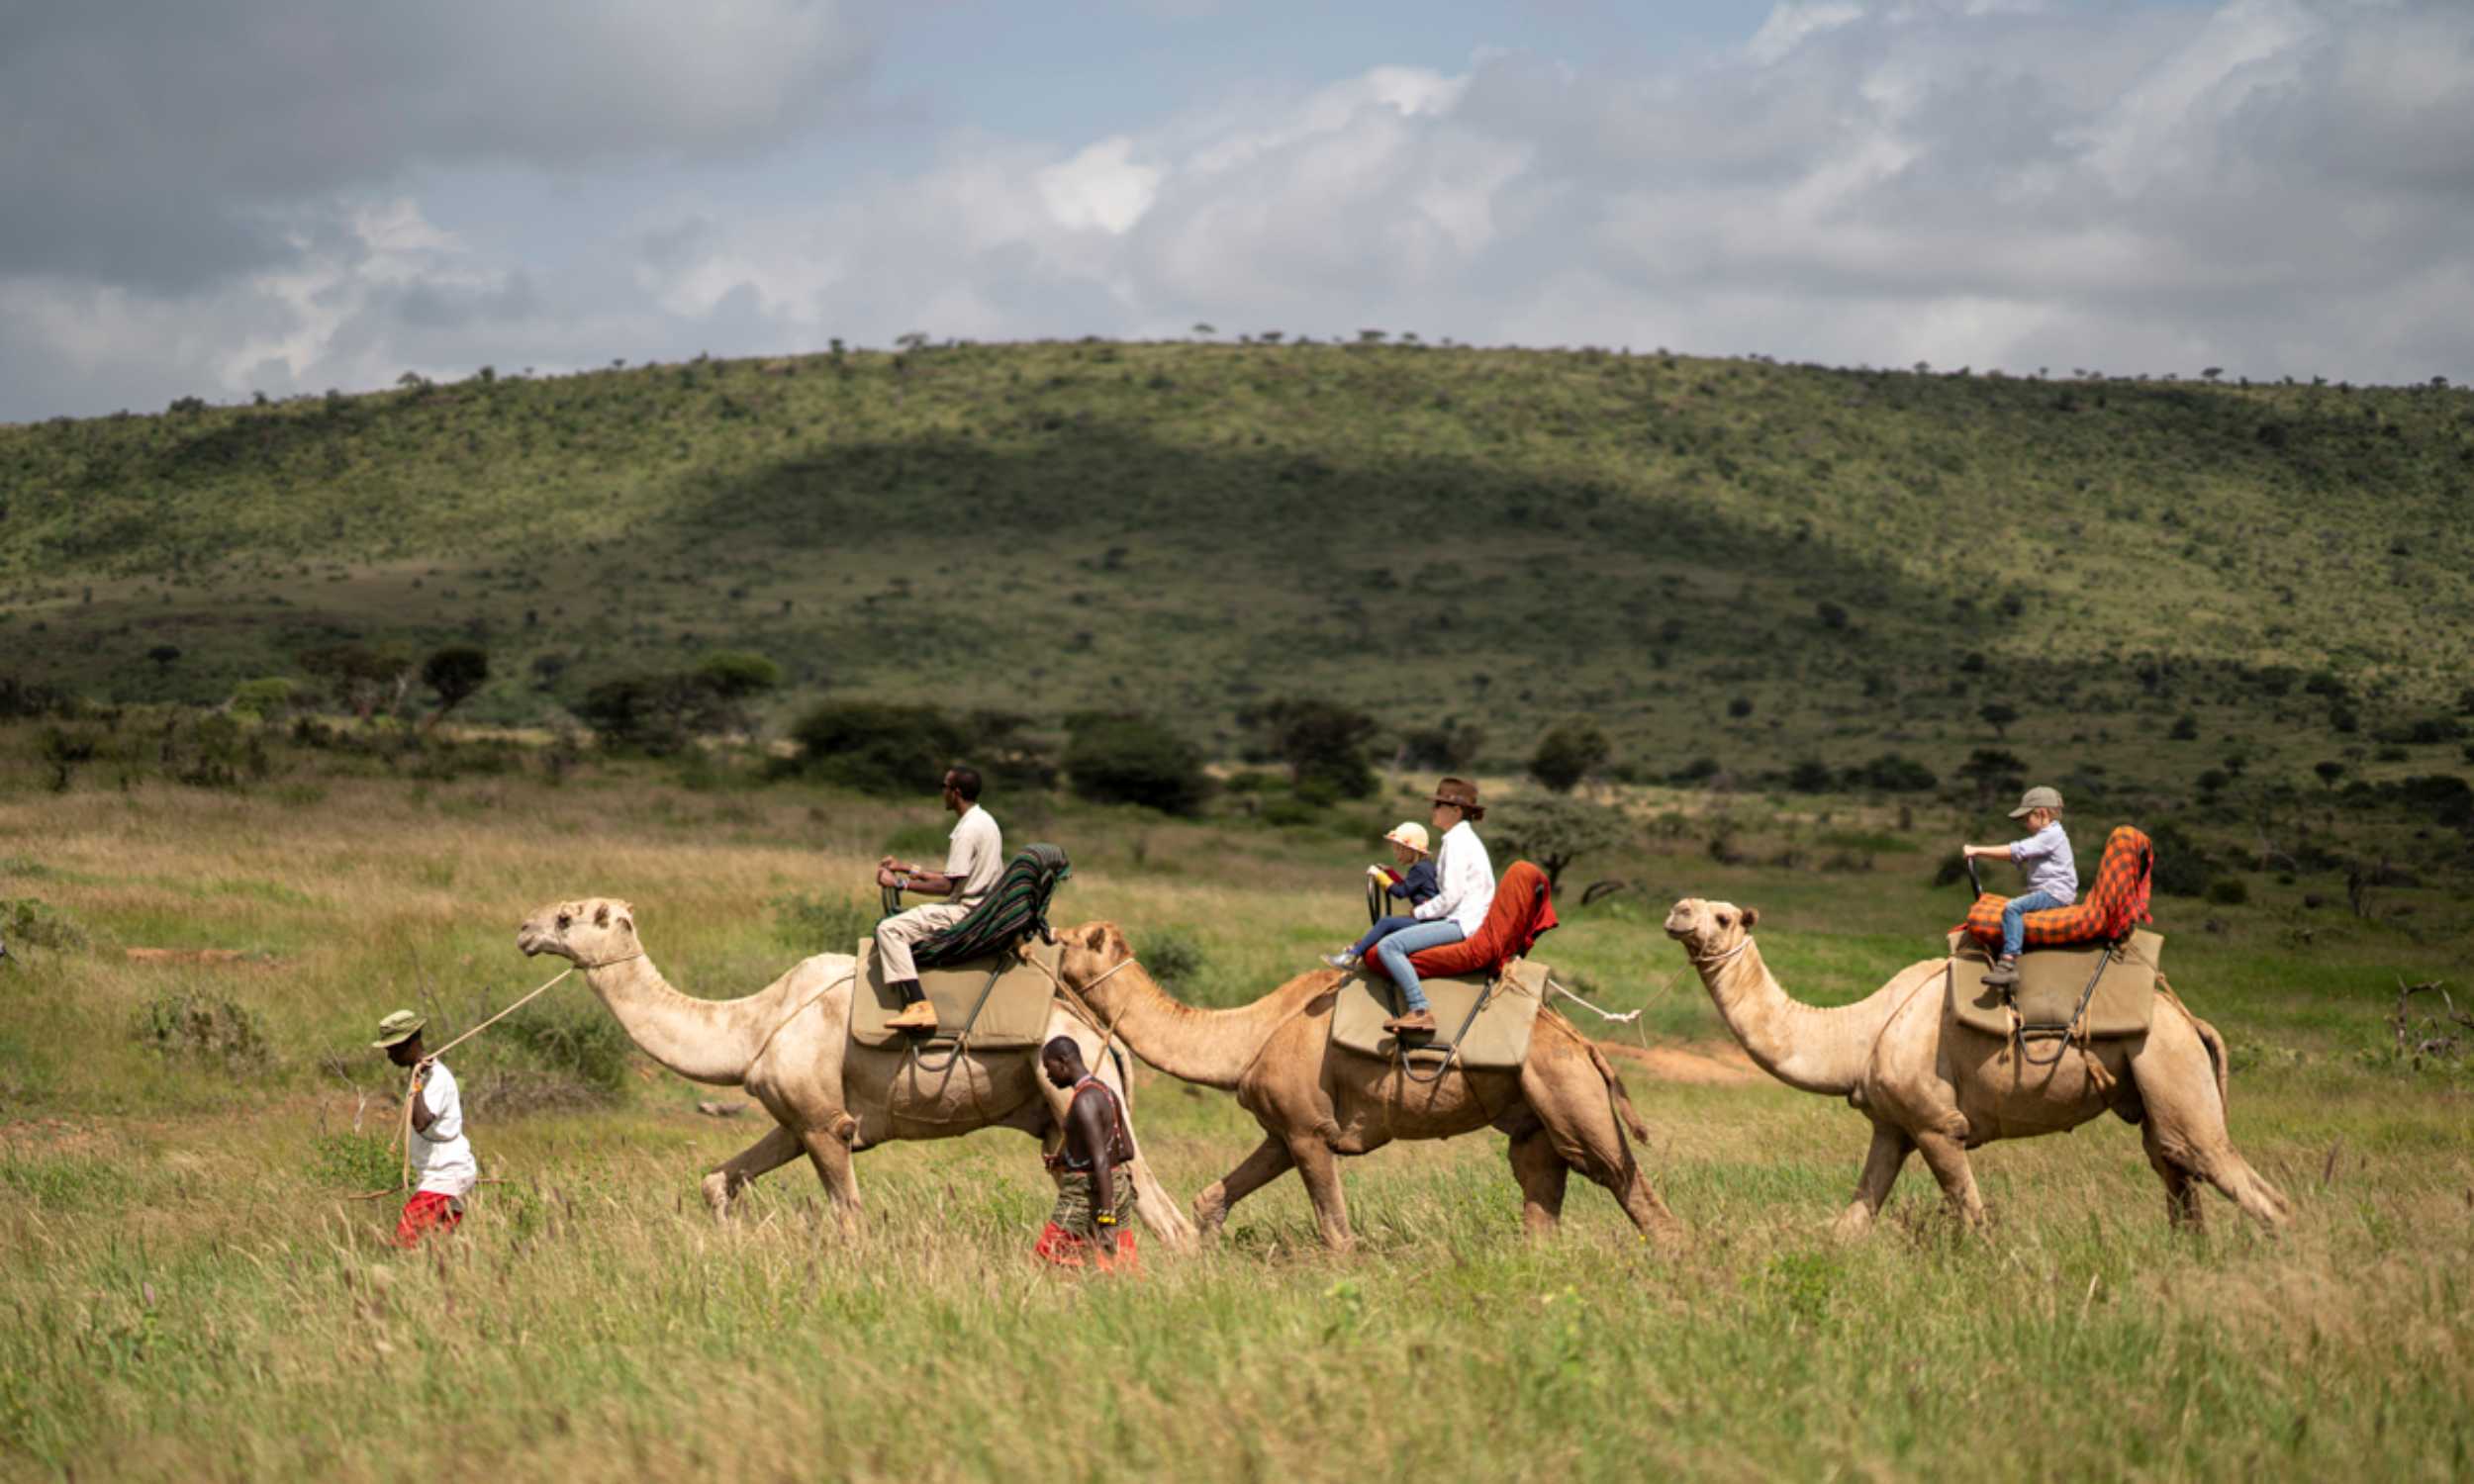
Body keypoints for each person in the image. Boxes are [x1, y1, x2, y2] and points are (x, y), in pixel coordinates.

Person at [873, 766, 1004, 1032]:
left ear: (955, 793)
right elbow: (957, 876)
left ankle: (919, 1005)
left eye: (944, 787)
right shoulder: (985, 821)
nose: (941, 792)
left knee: (889, 929)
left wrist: (897, 883)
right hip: (981, 905)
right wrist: (907, 868)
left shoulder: (966, 831)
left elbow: (947, 886)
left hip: (966, 910)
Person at [1372, 778, 1495, 1035]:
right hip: (1464, 919)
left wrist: (1420, 912)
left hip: (1462, 923)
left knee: (1389, 945)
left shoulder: (1456, 841)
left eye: (1439, 805)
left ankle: (1419, 1010)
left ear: (1456, 811)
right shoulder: (1463, 839)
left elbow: (1450, 896)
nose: (1434, 810)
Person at [1032, 1036, 1139, 1274]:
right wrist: (1064, 1160)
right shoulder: (1107, 1092)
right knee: (1118, 1266)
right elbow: (1126, 1151)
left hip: (1085, 1193)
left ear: (1063, 1062)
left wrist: (1107, 1220)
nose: (1048, 1077)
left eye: (1049, 1068)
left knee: (1047, 1259)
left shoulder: (1084, 1101)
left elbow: (1100, 1160)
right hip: (1115, 1186)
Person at [371, 1010, 478, 1249]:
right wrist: (416, 1075)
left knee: (402, 1245)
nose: (389, 1056)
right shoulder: (421, 1074)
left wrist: (417, 1080)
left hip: (445, 1176)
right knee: (433, 1250)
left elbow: (421, 1121)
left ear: (410, 1042)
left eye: (392, 1048)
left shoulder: (436, 1077)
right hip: (437, 1177)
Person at [1962, 786, 2078, 988]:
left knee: (2012, 908)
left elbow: (2015, 851)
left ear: (2041, 813)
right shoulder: (2050, 835)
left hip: (2055, 894)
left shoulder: (2051, 836)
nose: (2025, 824)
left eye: (2027, 818)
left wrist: (1977, 850)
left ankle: (2008, 963)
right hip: (2051, 891)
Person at [1323, 821, 1438, 971]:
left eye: (1400, 849)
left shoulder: (1419, 869)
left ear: (1412, 850)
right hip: (1427, 918)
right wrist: (1389, 873)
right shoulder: (1425, 866)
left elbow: (1400, 892)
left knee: (1386, 923)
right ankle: (1358, 951)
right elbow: (1407, 887)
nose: (1396, 853)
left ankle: (1352, 955)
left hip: (1428, 922)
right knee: (1389, 924)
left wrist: (1380, 876)